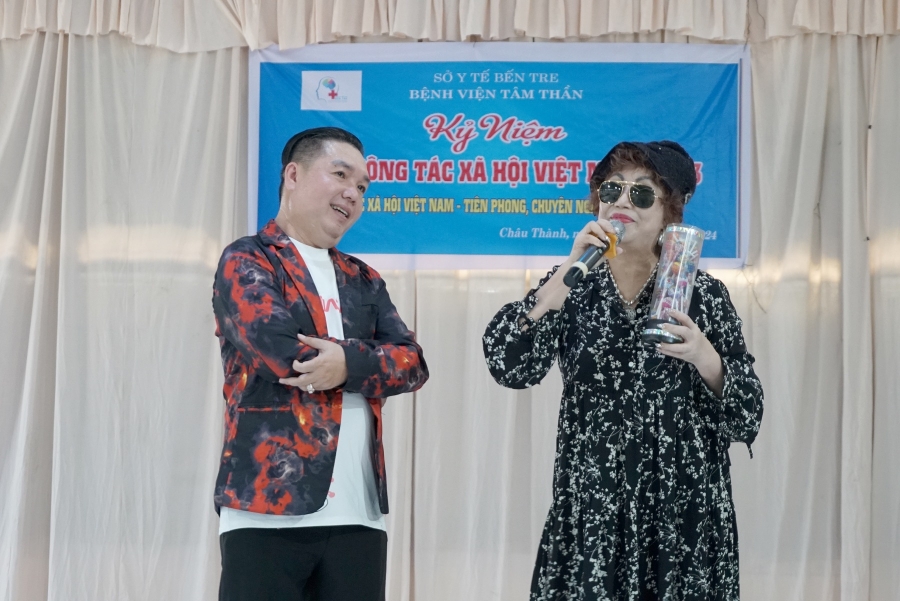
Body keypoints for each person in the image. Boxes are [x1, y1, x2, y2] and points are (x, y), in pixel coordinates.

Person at [482, 141, 763, 601]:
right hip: (594, 506)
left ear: (669, 211)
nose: (622, 202)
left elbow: (747, 416)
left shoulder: (702, 294)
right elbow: (509, 365)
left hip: (681, 513)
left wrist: (704, 356)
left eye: (642, 193)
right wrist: (562, 279)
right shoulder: (574, 283)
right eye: (612, 190)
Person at [211, 127, 428, 601]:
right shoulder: (248, 259)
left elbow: (412, 363)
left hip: (359, 513)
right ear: (293, 175)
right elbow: (280, 354)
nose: (354, 193)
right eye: (341, 175)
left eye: (363, 187)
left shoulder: (363, 279)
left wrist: (346, 362)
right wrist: (366, 362)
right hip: (266, 507)